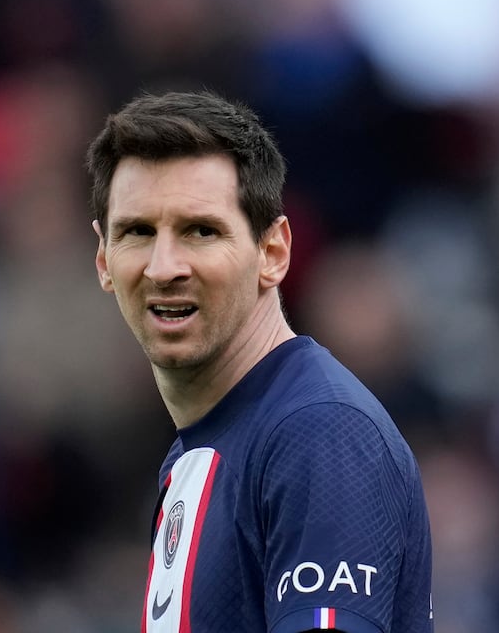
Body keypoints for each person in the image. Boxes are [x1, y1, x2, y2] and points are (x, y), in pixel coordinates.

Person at [85, 90, 434, 633]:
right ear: (105, 261)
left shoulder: (320, 432)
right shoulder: (197, 454)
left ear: (272, 253)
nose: (164, 266)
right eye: (138, 232)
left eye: (201, 230)